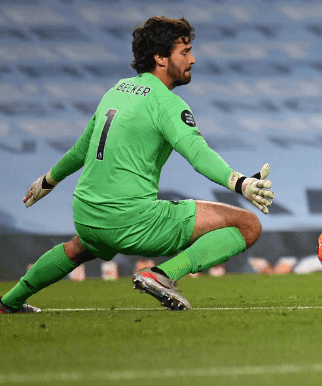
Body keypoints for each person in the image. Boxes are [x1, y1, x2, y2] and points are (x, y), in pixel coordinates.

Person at [0, 17, 274, 313]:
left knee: (78, 248)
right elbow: (197, 154)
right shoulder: (166, 103)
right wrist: (240, 182)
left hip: (87, 214)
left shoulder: (118, 90)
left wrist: (48, 181)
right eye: (184, 52)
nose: (192, 59)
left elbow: (82, 148)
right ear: (160, 58)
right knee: (248, 225)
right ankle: (162, 275)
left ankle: (8, 303)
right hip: (132, 221)